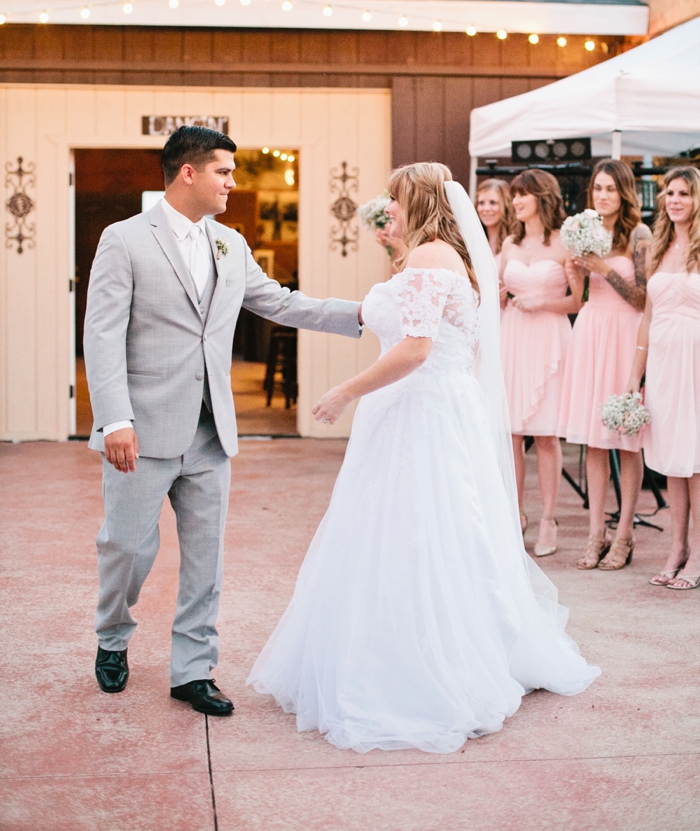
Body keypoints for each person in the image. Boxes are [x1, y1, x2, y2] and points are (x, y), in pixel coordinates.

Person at [248, 162, 599, 754]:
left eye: (394, 197)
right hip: (427, 404)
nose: (387, 207)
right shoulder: (438, 255)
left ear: (416, 199)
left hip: (421, 409)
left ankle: (423, 662)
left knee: (415, 530)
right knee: (418, 530)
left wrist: (344, 391)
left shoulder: (431, 257)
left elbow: (416, 349)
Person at [84, 125, 363, 715]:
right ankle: (112, 637)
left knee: (205, 561)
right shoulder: (124, 239)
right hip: (141, 429)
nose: (233, 183)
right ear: (189, 172)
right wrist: (114, 421)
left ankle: (193, 670)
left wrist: (366, 313)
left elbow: (280, 301)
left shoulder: (230, 244)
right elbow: (102, 335)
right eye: (224, 172)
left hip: (212, 431)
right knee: (125, 549)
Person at [559, 160, 650, 571]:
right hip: (591, 331)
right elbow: (580, 297)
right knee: (594, 440)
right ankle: (597, 531)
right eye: (598, 188)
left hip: (625, 334)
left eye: (611, 188)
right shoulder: (584, 229)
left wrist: (603, 269)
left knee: (627, 439)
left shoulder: (639, 234)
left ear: (624, 192)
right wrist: (575, 273)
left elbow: (643, 299)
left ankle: (625, 531)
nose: (602, 195)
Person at [499, 170, 579, 554]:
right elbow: (499, 292)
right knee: (512, 434)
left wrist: (542, 301)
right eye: (514, 195)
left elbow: (578, 301)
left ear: (542, 197)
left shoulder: (565, 242)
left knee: (546, 435)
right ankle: (515, 515)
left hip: (549, 338)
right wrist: (499, 297)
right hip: (513, 337)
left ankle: (548, 519)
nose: (515, 201)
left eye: (523, 195)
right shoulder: (509, 243)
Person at [627, 167, 700, 591]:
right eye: (670, 193)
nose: (674, 200)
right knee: (674, 457)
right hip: (664, 365)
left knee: (696, 462)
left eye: (684, 194)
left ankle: (697, 552)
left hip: (695, 362)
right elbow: (647, 318)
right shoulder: (657, 247)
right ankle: (677, 547)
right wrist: (634, 377)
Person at [476, 177, 516, 257]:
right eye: (481, 203)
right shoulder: (473, 241)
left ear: (505, 205)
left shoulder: (514, 241)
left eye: (493, 202)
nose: (486, 208)